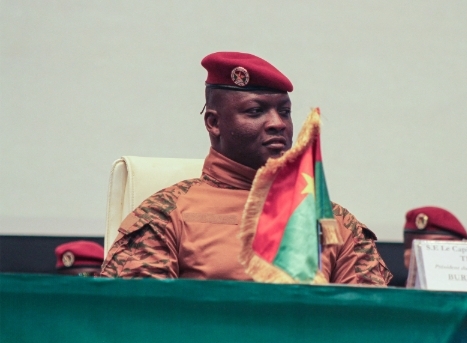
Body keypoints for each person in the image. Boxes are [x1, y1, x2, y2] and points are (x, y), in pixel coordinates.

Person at [101, 51, 391, 285]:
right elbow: (138, 320)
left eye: (285, 112)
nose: (278, 123)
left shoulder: (336, 222)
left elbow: (370, 321)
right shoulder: (165, 215)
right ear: (214, 123)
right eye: (256, 111)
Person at [402, 206, 467, 269]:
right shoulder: (393, 279)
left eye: (453, 247)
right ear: (409, 255)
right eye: (435, 247)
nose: (445, 254)